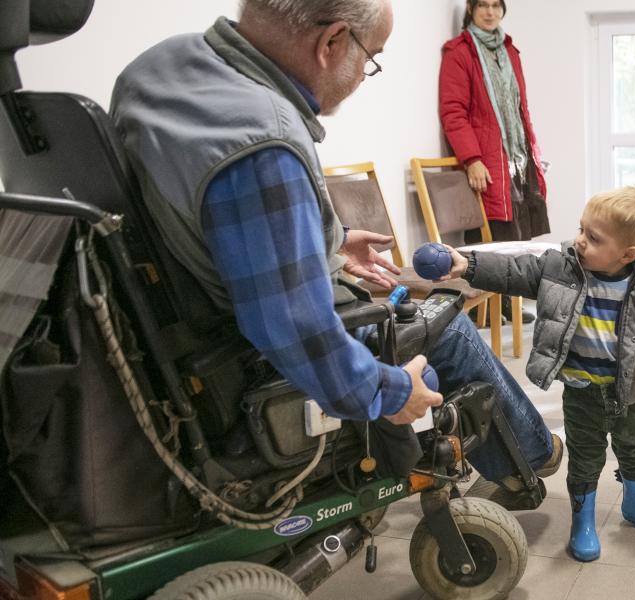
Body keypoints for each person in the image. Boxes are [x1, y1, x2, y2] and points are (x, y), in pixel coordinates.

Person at [110, 0, 560, 486]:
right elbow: (296, 330)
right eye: (371, 58)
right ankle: (534, 457)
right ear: (332, 43)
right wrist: (390, 391)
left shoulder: (160, 66)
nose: (366, 74)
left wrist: (332, 241)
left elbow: (207, 211)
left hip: (169, 324)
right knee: (446, 328)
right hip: (241, 353)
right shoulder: (265, 142)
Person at [442, 187, 635, 562]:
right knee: (586, 457)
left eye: (594, 237)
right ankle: (582, 521)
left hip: (631, 392)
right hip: (583, 389)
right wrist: (468, 264)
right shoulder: (561, 268)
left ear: (628, 255)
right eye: (581, 229)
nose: (580, 241)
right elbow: (514, 270)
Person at [439, 0, 546, 323]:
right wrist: (471, 158)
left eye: (495, 5)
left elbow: (518, 107)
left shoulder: (509, 50)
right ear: (471, 9)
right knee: (490, 233)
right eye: (482, 5)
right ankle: (487, 309)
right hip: (486, 155)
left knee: (515, 233)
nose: (490, 12)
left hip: (515, 154)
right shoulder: (459, 52)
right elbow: (453, 111)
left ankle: (507, 304)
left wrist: (531, 151)